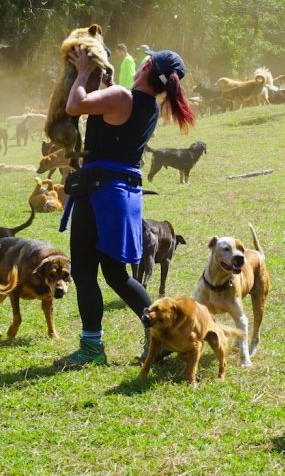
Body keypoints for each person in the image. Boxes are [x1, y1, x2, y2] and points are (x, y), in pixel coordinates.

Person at [56, 45, 195, 367]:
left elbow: (75, 105)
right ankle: (161, 337)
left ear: (146, 66)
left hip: (100, 194)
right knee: (117, 275)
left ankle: (92, 347)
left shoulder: (122, 97)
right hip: (122, 195)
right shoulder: (147, 106)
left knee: (87, 272)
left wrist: (81, 73)